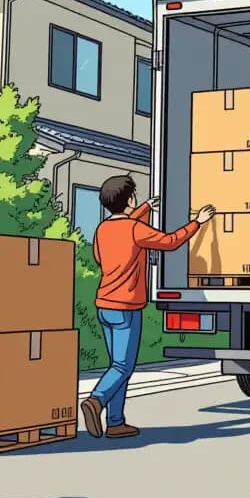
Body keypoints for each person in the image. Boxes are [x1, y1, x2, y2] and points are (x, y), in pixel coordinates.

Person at [79, 174, 215, 439]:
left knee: (118, 365)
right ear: (129, 199)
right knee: (122, 367)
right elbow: (170, 242)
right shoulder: (135, 230)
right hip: (127, 307)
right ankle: (95, 401)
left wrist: (145, 209)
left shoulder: (102, 229)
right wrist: (197, 222)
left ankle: (116, 423)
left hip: (104, 305)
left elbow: (101, 254)